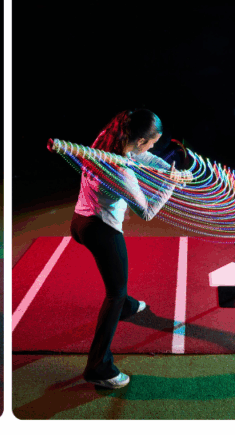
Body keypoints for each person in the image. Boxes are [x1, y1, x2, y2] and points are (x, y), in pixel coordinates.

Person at [70, 108, 181, 389]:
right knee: (115, 293)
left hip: (80, 220)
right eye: (153, 143)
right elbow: (147, 212)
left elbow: (139, 155)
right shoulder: (119, 171)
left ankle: (129, 307)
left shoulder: (107, 138)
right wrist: (171, 184)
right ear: (141, 140)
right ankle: (99, 367)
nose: (154, 147)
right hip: (100, 230)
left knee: (118, 285)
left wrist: (165, 168)